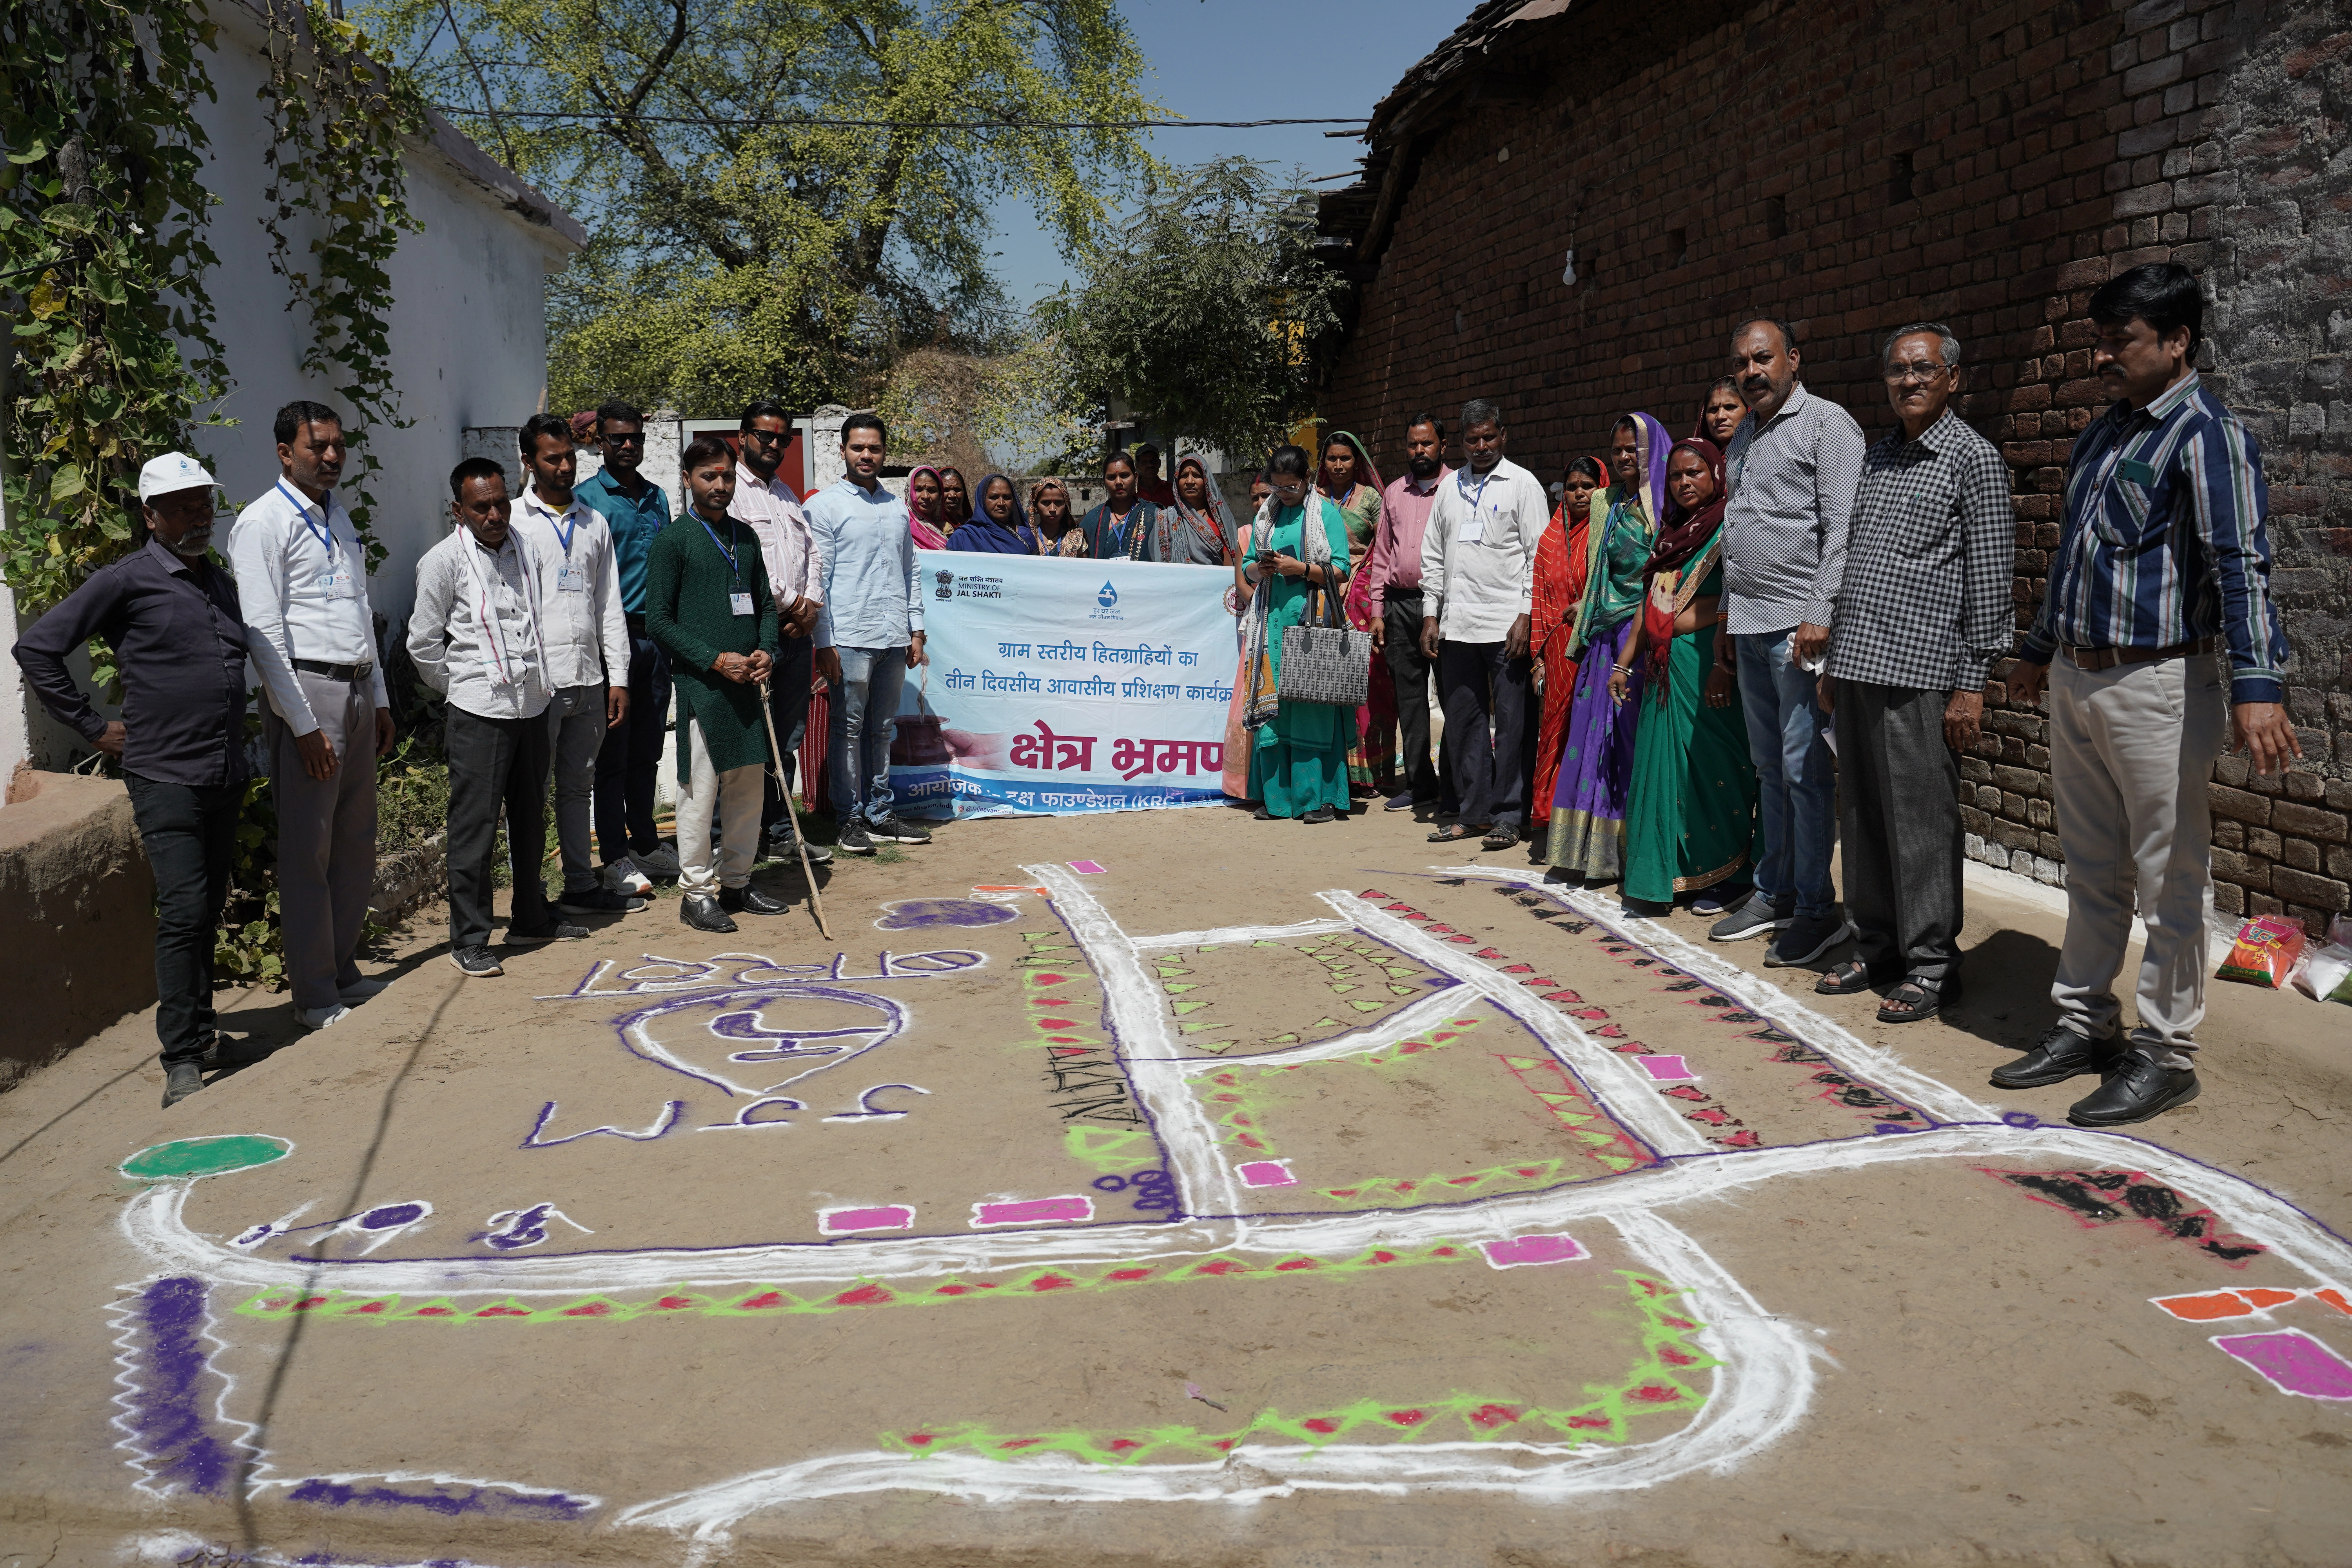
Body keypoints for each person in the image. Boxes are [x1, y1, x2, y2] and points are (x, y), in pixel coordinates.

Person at [2004, 263, 2296, 1125]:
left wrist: (2258, 684)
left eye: (2121, 340)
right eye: (2102, 338)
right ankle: (2082, 1022)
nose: (2104, 355)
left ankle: (2166, 1053)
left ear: (2178, 342)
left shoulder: (2209, 435)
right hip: (2079, 674)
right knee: (2092, 868)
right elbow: (2071, 558)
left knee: (2170, 879)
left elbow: (2241, 567)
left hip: (2160, 679)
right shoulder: (2103, 434)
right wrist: (2037, 647)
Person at [12, 454, 254, 1107]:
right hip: (165, 773)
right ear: (150, 517)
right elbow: (36, 647)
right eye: (182, 507)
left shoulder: (216, 581)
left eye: (204, 503)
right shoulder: (127, 580)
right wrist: (93, 726)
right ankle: (180, 1056)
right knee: (182, 907)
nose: (199, 516)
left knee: (206, 906)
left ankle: (203, 1031)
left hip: (222, 770)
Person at [1816, 324, 2015, 1022]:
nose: (1908, 381)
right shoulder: (1879, 456)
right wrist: (1835, 663)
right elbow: (1859, 563)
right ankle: (1877, 948)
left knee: (1921, 825)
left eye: (1923, 369)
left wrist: (1972, 682)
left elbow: (1990, 585)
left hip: (1924, 674)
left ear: (1952, 379)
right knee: (1863, 816)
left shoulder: (1973, 460)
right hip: (1862, 665)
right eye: (1897, 370)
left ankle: (1932, 964)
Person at [226, 401, 395, 1031]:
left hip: (353, 689)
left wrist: (378, 698)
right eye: (316, 446)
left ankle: (343, 969)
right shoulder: (262, 524)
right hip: (308, 694)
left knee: (354, 841)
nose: (330, 457)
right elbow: (264, 632)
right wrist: (301, 725)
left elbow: (358, 612)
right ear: (283, 453)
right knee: (309, 850)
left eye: (337, 446)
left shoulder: (337, 518)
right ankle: (314, 994)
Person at [1707, 316, 1865, 968]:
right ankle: (1773, 890)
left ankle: (1815, 907)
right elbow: (1737, 531)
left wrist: (1820, 611)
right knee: (1769, 767)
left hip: (1800, 630)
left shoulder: (1829, 424)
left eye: (1763, 359)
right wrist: (1724, 617)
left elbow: (1842, 528)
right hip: (1749, 624)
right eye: (1742, 362)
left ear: (1793, 360)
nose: (1752, 373)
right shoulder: (1743, 434)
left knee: (1804, 773)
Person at [409, 458, 586, 973]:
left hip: (532, 703)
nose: (494, 515)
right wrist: (460, 687)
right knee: (475, 828)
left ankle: (531, 919)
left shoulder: (524, 549)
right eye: (481, 507)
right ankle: (469, 937)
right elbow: (422, 644)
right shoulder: (443, 562)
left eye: (500, 503)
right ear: (458, 510)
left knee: (532, 820)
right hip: (479, 713)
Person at [646, 436, 789, 931]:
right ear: (687, 480)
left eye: (727, 476)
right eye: (709, 476)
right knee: (698, 794)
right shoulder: (674, 540)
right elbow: (658, 622)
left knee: (748, 791)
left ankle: (737, 882)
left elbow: (767, 606)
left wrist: (768, 651)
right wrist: (714, 660)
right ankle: (697, 893)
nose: (720, 485)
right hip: (703, 689)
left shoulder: (745, 538)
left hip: (749, 686)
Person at [1612, 437, 1755, 913]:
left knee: (1711, 767)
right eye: (1676, 476)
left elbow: (1739, 599)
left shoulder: (1728, 527)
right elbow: (1650, 600)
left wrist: (1720, 665)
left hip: (1707, 666)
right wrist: (1624, 661)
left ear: (1716, 475)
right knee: (1663, 771)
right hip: (1663, 669)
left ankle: (1727, 872)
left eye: (1694, 473)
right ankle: (1668, 874)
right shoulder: (1672, 532)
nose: (1685, 482)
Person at [511, 412, 637, 918]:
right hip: (539, 685)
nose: (565, 467)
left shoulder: (594, 522)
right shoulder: (514, 524)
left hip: (589, 679)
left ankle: (581, 887)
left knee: (577, 788)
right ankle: (531, 895)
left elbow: (609, 605)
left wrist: (619, 676)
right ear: (528, 462)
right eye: (552, 458)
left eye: (570, 457)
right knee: (532, 793)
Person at [1419, 399, 1549, 851]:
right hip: (1458, 626)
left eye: (1489, 437)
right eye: (1472, 439)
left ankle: (1509, 815)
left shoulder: (1523, 485)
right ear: (1461, 441)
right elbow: (1432, 556)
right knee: (1464, 722)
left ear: (1503, 436)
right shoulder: (1449, 489)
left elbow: (1540, 557)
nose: (1481, 446)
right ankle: (1473, 813)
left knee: (1512, 724)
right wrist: (1431, 614)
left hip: (1506, 628)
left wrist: (1526, 614)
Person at [1547, 413, 1670, 878]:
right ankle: (1585, 852)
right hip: (1603, 634)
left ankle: (1631, 852)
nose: (1624, 457)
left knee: (1628, 738)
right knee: (1589, 736)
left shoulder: (1664, 506)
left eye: (1633, 449)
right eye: (1617, 450)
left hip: (1644, 636)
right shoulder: (1607, 501)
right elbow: (1600, 564)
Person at [806, 412, 933, 856]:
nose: (866, 455)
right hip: (849, 637)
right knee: (847, 728)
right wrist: (824, 642)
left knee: (882, 729)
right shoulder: (823, 507)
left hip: (893, 636)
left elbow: (910, 570)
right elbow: (816, 579)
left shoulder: (896, 507)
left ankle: (881, 813)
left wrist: (916, 628)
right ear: (842, 450)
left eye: (874, 448)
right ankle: (849, 819)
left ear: (884, 453)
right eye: (858, 447)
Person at [577, 399, 679, 893]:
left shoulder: (658, 497)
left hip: (656, 638)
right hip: (611, 642)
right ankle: (614, 853)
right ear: (599, 440)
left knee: (648, 749)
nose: (627, 445)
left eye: (635, 437)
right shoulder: (587, 499)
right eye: (617, 437)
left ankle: (645, 842)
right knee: (612, 754)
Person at [732, 399, 833, 867]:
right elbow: (745, 564)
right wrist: (793, 604)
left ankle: (778, 832)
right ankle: (733, 840)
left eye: (782, 438)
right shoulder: (729, 490)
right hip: (756, 635)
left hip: (797, 635)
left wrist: (810, 607)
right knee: (748, 739)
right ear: (743, 438)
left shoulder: (788, 495)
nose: (774, 444)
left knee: (788, 739)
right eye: (765, 436)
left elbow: (812, 557)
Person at [1237, 446, 1354, 822]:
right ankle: (1278, 800)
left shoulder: (1325, 514)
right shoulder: (1266, 515)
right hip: (1271, 623)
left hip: (1311, 625)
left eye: (1291, 487)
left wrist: (1301, 568)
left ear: (1307, 480)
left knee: (1311, 705)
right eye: (1278, 486)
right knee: (1275, 710)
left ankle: (1316, 799)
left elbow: (1340, 569)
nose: (1284, 494)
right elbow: (1249, 567)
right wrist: (1265, 568)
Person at [1365, 414, 1453, 815]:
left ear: (1443, 446)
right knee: (1411, 700)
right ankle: (1421, 784)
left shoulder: (1457, 488)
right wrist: (1378, 611)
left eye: (1427, 444)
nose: (1420, 451)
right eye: (1414, 445)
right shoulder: (1394, 493)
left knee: (1456, 697)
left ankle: (1456, 786)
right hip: (1400, 606)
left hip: (1448, 607)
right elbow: (1382, 555)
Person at [1530, 456, 1606, 835]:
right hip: (1559, 648)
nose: (1580, 494)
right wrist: (1539, 660)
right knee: (1557, 730)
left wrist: (1590, 606)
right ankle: (1550, 813)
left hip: (1600, 643)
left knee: (1592, 729)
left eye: (1588, 487)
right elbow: (1541, 603)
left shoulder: (1609, 532)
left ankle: (1589, 818)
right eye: (1573, 487)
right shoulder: (1549, 538)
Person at [1321, 431, 1394, 797]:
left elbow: (1384, 549)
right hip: (1320, 597)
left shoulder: (1373, 501)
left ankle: (1372, 774)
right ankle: (1337, 773)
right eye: (1331, 459)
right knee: (1327, 684)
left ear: (1358, 462)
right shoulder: (1314, 501)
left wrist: (1358, 582)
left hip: (1362, 598)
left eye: (1345, 459)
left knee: (1368, 684)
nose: (1337, 466)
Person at [1221, 472, 1276, 800]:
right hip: (1258, 620)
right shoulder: (1245, 533)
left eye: (1265, 496)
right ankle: (1248, 783)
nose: (1259, 503)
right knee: (1251, 693)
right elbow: (1242, 583)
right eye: (1254, 497)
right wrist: (1263, 600)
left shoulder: (1290, 527)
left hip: (1285, 622)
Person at [1157, 455, 1236, 565]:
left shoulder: (1221, 519)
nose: (1190, 481)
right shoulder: (1165, 519)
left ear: (1206, 481)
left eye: (1197, 475)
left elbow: (1230, 561)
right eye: (1184, 476)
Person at [1080, 452, 1160, 560]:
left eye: (1124, 476)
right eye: (1112, 477)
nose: (1118, 482)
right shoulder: (1092, 520)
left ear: (1136, 478)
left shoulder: (1153, 515)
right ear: (1105, 482)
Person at [947, 474, 1040, 554]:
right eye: (994, 497)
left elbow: (1034, 570)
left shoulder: (1024, 536)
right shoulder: (963, 536)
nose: (1001, 503)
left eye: (1007, 497)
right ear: (982, 501)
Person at [1030, 478, 1083, 556]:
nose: (1052, 509)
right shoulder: (1028, 538)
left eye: (1059, 502)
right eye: (1046, 502)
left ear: (1066, 506)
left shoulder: (1076, 537)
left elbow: (1085, 567)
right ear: (1035, 507)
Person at [906, 465, 951, 550]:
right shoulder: (901, 523)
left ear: (940, 496)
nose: (926, 496)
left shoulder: (947, 529)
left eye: (932, 490)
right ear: (909, 492)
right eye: (918, 489)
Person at [1695, 377, 1745, 446]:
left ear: (1749, 410)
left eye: (1730, 407)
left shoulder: (1761, 453)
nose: (1720, 416)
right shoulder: (1697, 457)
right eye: (1713, 409)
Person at [1132, 442, 1177, 507]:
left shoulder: (1172, 490)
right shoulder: (1132, 492)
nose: (1150, 465)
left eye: (1153, 461)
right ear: (1137, 466)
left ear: (1159, 463)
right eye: (1144, 462)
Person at [936, 467, 971, 542]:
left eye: (957, 490)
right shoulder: (931, 526)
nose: (952, 495)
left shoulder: (971, 526)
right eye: (946, 490)